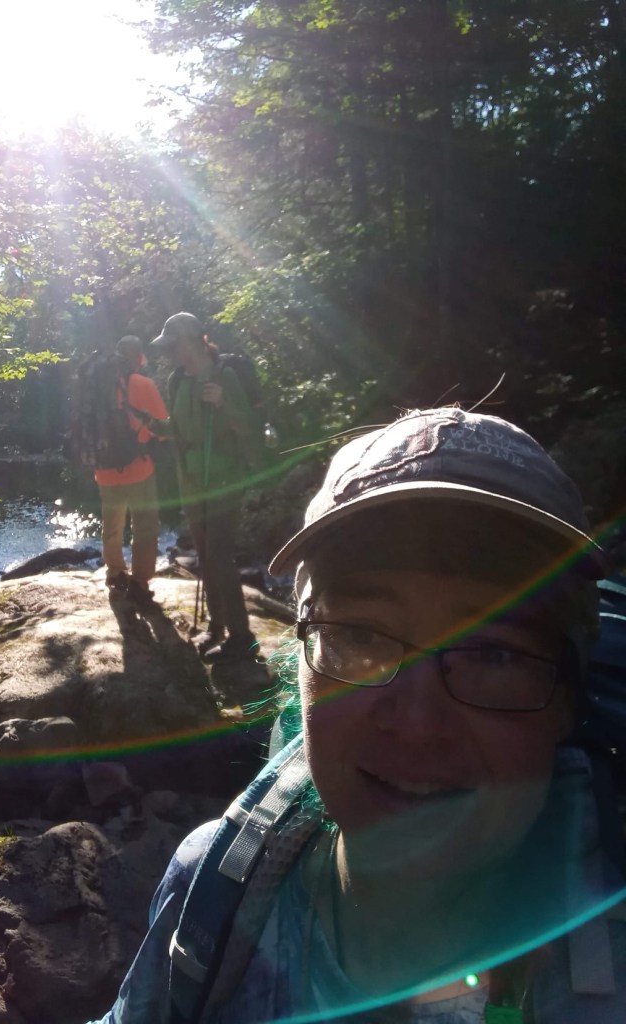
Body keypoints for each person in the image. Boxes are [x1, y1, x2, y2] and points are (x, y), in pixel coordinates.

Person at [91, 405, 626, 1023]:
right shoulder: (212, 892)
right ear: (300, 662)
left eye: (493, 654)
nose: (417, 724)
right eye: (361, 636)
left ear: (567, 698)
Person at [150, 312, 259, 663]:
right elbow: (179, 429)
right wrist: (153, 425)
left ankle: (242, 637)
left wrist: (223, 403)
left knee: (218, 555)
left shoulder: (224, 376)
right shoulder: (176, 381)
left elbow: (248, 427)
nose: (170, 353)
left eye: (174, 345)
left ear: (194, 341)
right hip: (192, 482)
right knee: (205, 555)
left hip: (225, 479)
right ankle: (216, 626)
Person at [93, 338, 169, 606]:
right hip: (139, 467)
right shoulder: (143, 384)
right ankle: (140, 581)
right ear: (138, 356)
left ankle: (115, 572)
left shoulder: (98, 385)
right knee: (145, 525)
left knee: (112, 523)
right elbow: (162, 427)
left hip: (105, 469)